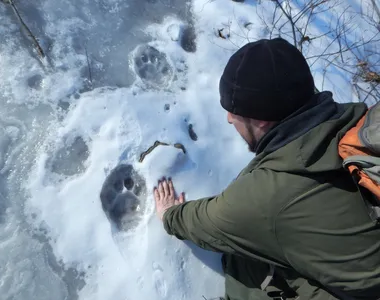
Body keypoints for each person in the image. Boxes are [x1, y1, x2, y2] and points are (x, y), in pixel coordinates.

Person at [153, 38, 380, 300]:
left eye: (233, 111)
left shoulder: (268, 196)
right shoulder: (353, 119)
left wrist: (170, 214)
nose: (228, 118)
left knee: (249, 266)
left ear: (260, 120)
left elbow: (206, 221)